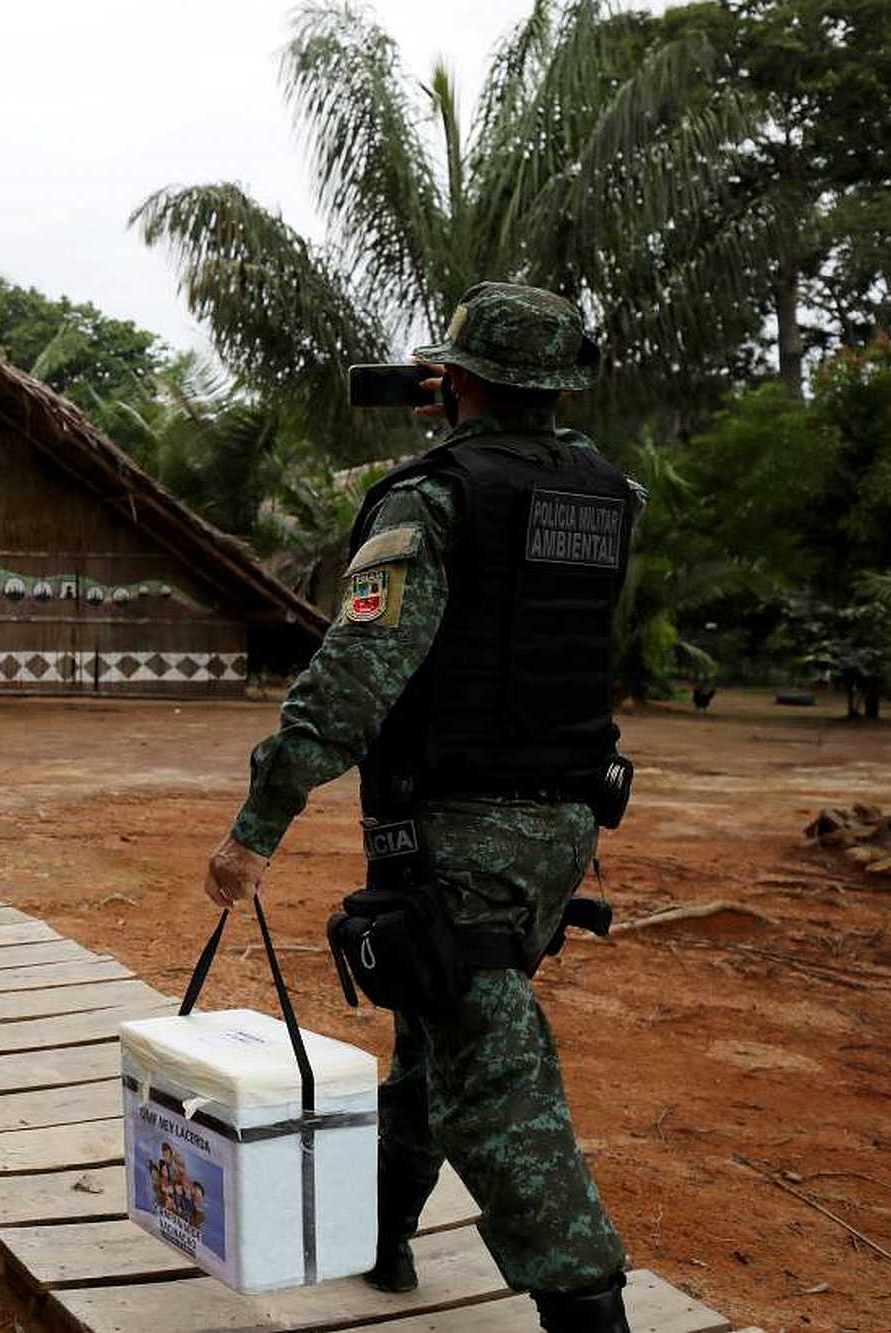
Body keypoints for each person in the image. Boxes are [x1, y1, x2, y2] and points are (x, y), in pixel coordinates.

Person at [201, 283, 637, 1333]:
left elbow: (352, 679)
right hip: (561, 830)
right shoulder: (601, 491)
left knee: (497, 1089)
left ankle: (589, 1312)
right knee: (439, 1026)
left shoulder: (432, 499)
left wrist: (253, 828)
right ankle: (381, 1234)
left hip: (460, 838)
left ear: (461, 380)